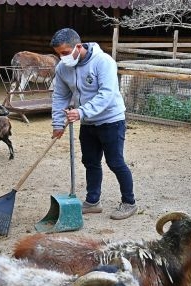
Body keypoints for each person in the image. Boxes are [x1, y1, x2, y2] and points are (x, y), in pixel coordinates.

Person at [49, 28, 137, 220]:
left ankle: (129, 202)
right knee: (90, 162)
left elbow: (106, 94)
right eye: (58, 54)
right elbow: (60, 96)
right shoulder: (63, 68)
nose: (62, 58)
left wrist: (81, 111)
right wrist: (57, 124)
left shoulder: (103, 62)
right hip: (88, 123)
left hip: (111, 120)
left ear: (78, 47)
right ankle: (93, 201)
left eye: (64, 53)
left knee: (115, 162)